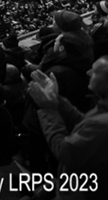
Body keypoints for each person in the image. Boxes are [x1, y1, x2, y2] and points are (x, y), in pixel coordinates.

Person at [27, 57, 108, 199]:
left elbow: (65, 151)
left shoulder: (102, 125)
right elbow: (84, 123)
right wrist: (56, 100)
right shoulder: (102, 110)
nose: (88, 72)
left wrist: (48, 110)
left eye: (95, 71)